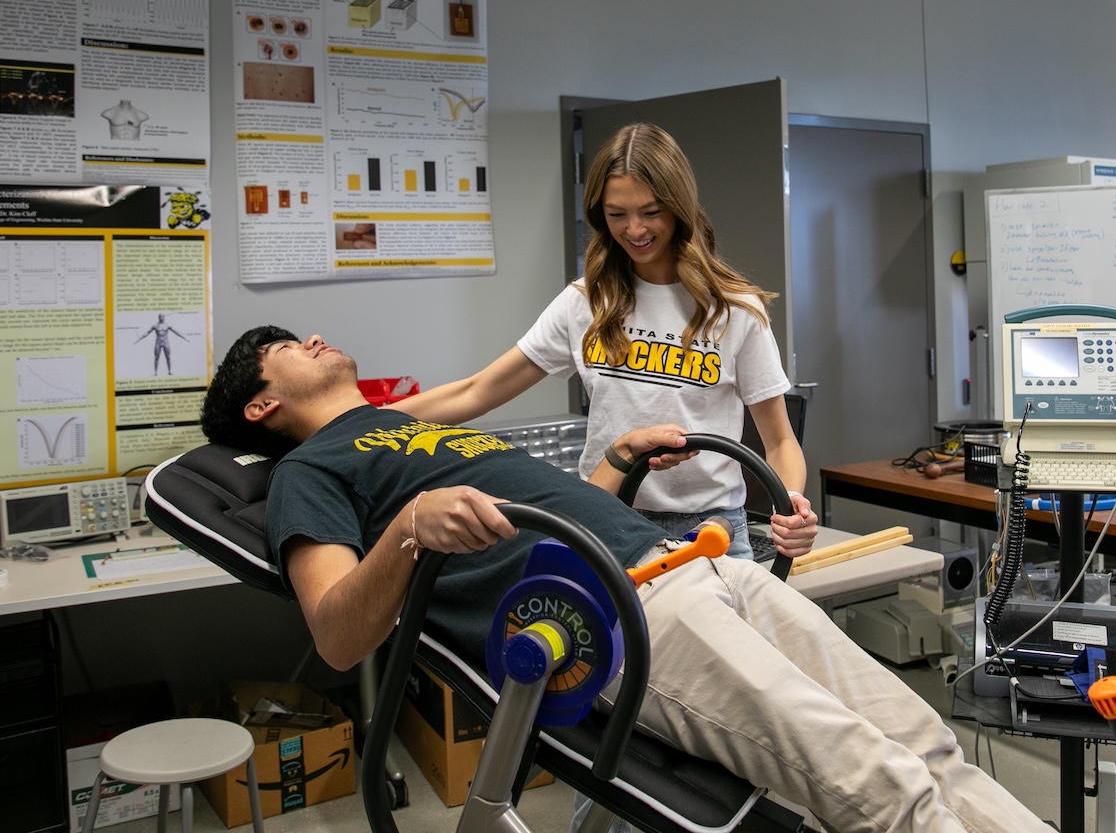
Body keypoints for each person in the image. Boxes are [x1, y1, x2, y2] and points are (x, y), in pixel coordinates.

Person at [199, 325, 1052, 833]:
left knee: (924, 745)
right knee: (877, 783)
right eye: (287, 348)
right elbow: (337, 636)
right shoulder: (310, 471)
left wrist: (615, 459)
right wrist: (409, 528)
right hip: (618, 619)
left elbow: (551, 516)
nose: (313, 340)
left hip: (697, 566)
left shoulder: (399, 427)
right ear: (262, 406)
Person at [398, 122, 815, 562]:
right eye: (617, 215)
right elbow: (477, 391)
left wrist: (789, 505)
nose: (634, 230)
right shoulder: (586, 302)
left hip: (711, 531)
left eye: (651, 212)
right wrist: (361, 423)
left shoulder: (733, 309)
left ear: (680, 208)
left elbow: (780, 442)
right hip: (606, 520)